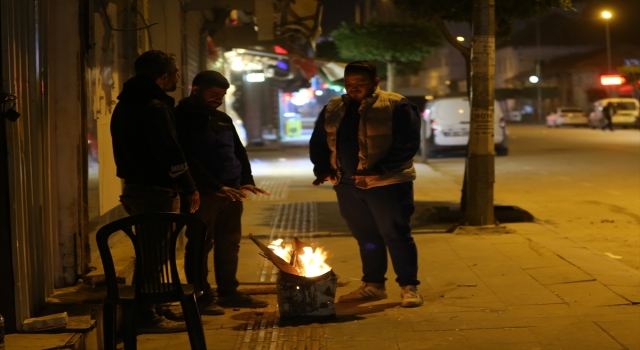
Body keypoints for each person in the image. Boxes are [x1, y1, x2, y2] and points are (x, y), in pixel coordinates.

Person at [309, 61, 423, 308]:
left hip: (388, 183)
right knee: (366, 236)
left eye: (360, 84)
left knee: (396, 234)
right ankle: (373, 286)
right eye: (349, 84)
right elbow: (319, 141)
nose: (353, 89)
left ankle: (409, 286)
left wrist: (379, 171)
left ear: (375, 82)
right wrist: (323, 170)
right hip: (347, 184)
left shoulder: (397, 105)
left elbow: (408, 144)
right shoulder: (334, 107)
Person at [111, 50, 200, 333]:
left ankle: (155, 304)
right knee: (154, 254)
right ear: (163, 77)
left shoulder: (126, 104)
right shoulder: (154, 107)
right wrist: (189, 187)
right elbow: (169, 150)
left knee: (155, 252)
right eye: (174, 73)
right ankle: (145, 314)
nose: (177, 77)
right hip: (155, 190)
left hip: (135, 188)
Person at [175, 70, 270, 314]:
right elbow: (186, 158)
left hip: (232, 194)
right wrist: (216, 186)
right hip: (202, 194)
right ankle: (200, 296)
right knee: (199, 245)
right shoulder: (180, 118)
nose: (218, 99)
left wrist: (245, 180)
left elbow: (239, 152)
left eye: (222, 95)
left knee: (229, 244)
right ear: (196, 89)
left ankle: (229, 292)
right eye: (214, 94)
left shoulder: (222, 119)